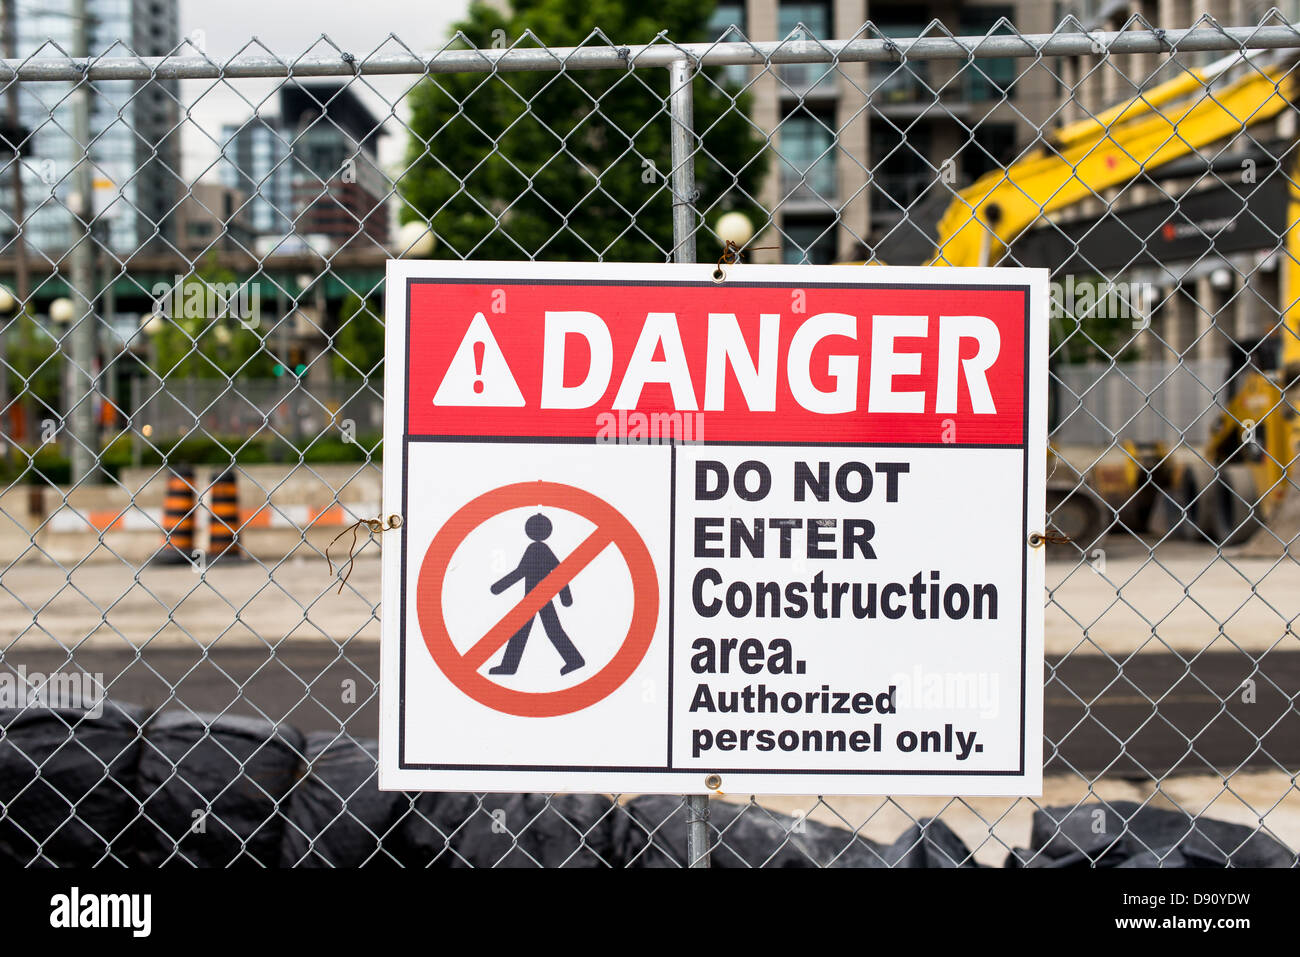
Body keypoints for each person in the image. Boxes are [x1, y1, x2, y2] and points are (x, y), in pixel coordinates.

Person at [488, 513, 585, 676]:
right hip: (537, 597)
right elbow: (559, 573)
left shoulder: (535, 549)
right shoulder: (540, 549)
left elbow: (522, 572)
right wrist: (565, 597)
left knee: (541, 630)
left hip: (536, 598)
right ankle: (573, 660)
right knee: (549, 630)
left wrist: (499, 587)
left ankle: (573, 660)